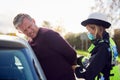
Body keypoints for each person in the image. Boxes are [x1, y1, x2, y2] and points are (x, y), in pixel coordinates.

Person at [13, 13, 77, 80]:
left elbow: (71, 54)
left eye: (29, 26)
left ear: (33, 21)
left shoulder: (48, 34)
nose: (29, 31)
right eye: (25, 30)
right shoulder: (28, 44)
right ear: (20, 32)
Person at [75, 12, 119, 80]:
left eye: (89, 30)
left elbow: (89, 75)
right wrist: (79, 60)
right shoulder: (109, 41)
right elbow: (97, 61)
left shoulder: (103, 46)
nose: (88, 33)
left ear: (96, 29)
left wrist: (75, 69)